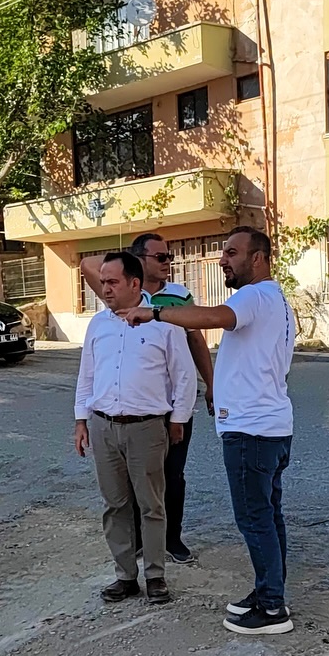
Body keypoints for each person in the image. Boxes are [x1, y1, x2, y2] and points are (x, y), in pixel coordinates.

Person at [119, 226, 294, 635]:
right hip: (270, 426)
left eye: (232, 253)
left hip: (252, 430)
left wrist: (156, 312)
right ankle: (269, 590)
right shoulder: (276, 299)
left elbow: (214, 317)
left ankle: (272, 610)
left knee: (255, 519)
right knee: (268, 517)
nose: (222, 260)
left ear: (258, 258)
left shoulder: (252, 295)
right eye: (223, 253)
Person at [81, 234, 215, 563]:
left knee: (172, 475)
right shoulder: (118, 295)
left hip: (173, 407)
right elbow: (87, 265)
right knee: (131, 481)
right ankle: (140, 543)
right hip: (132, 412)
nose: (168, 263)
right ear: (140, 261)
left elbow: (196, 342)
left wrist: (211, 384)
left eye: (169, 256)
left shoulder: (178, 297)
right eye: (161, 257)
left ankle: (172, 538)